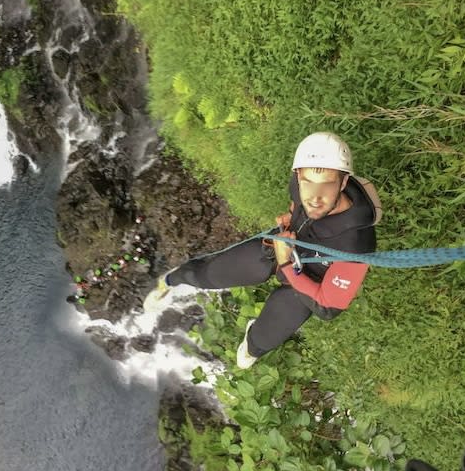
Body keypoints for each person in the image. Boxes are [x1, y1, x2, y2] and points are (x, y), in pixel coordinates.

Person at [146, 132, 381, 368]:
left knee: (262, 339)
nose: (315, 198)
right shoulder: (299, 187)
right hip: (283, 245)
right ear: (298, 176)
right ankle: (169, 280)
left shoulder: (356, 244)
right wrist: (291, 217)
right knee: (207, 274)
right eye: (307, 182)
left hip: (309, 280)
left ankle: (252, 345)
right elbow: (297, 203)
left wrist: (287, 264)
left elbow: (327, 308)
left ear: (343, 183)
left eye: (327, 185)